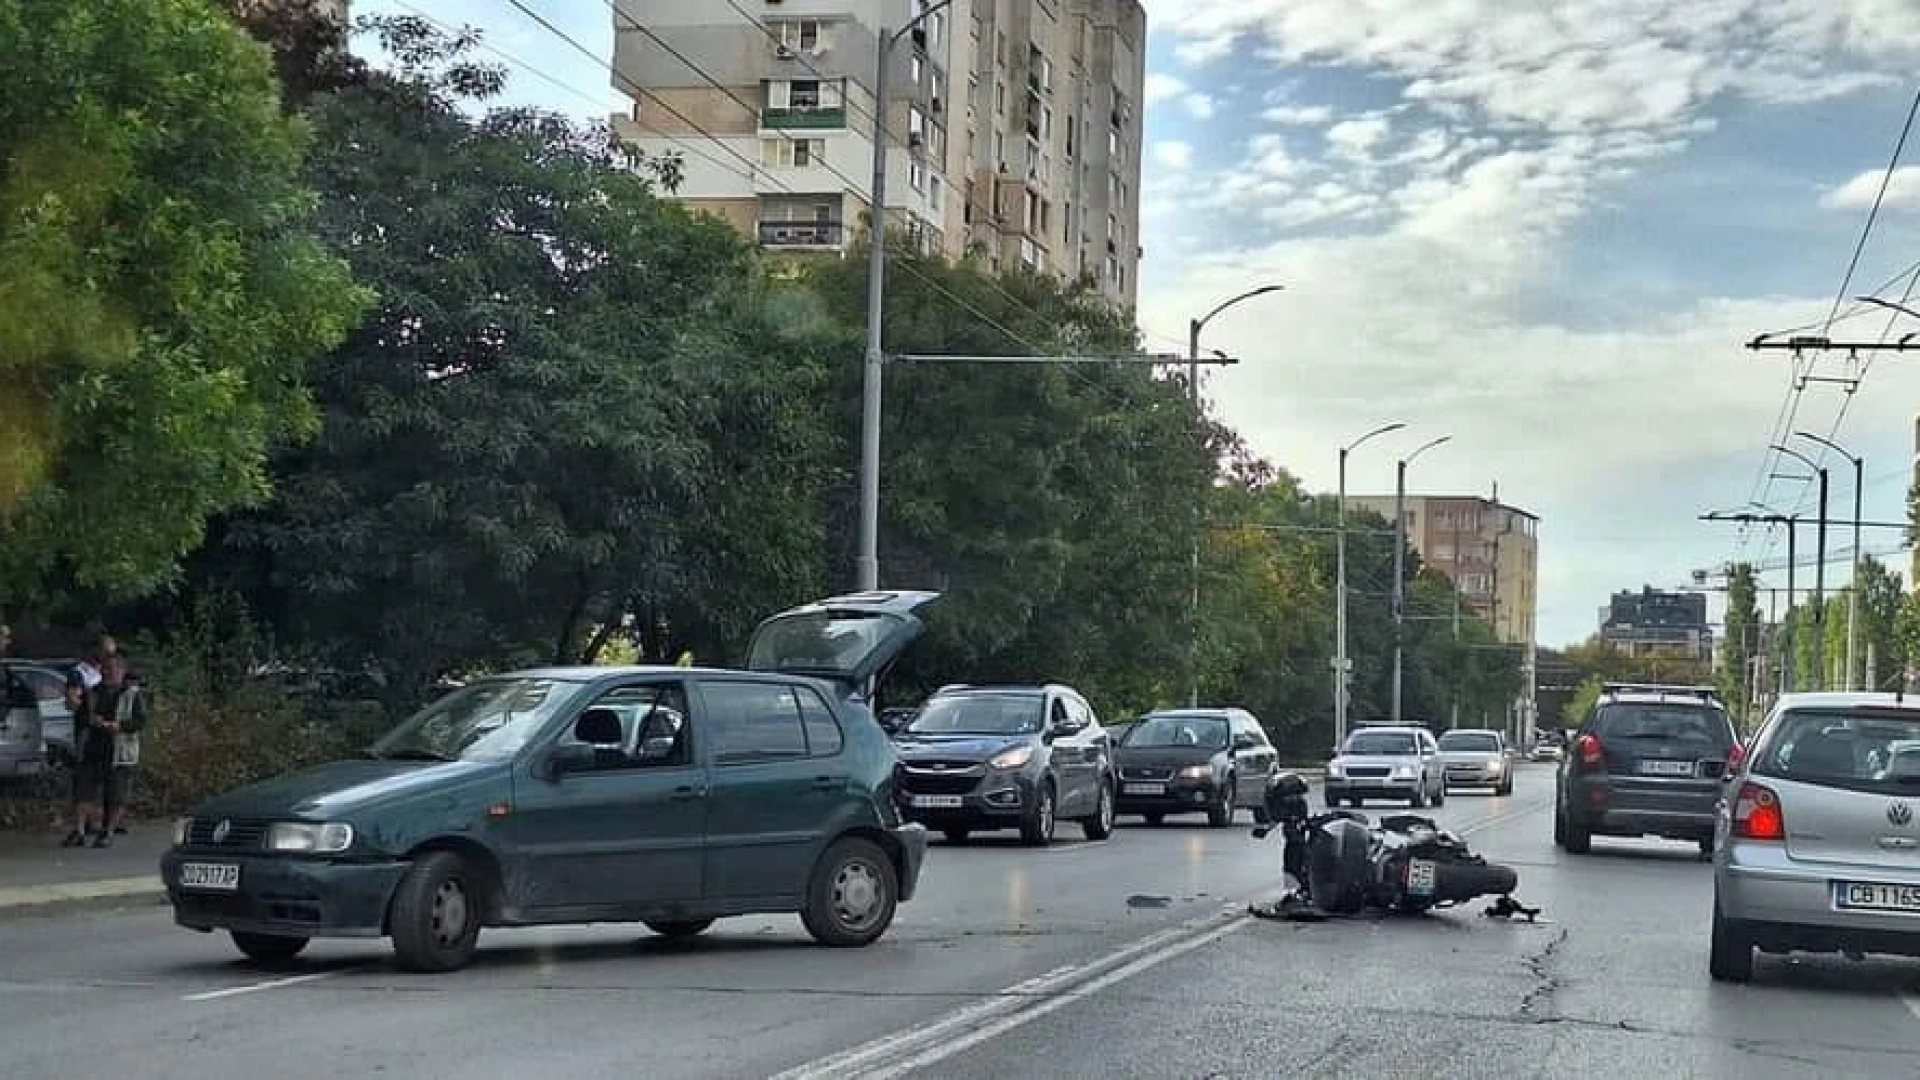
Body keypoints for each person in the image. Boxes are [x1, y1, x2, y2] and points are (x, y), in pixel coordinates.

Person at [95, 654, 146, 839]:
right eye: (104, 669)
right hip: (103, 747)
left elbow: (140, 721)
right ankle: (106, 825)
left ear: (121, 671)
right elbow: (96, 714)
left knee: (118, 791)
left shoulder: (133, 694)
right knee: (105, 792)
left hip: (123, 750)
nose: (106, 673)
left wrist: (121, 726)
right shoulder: (100, 692)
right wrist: (99, 720)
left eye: (111, 669)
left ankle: (108, 830)